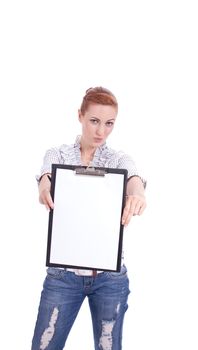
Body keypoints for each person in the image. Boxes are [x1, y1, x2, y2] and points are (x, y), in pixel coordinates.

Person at [31, 86, 146, 350]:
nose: (101, 131)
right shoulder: (58, 154)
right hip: (63, 276)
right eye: (94, 121)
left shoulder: (118, 159)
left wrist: (138, 193)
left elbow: (134, 178)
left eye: (109, 124)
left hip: (110, 278)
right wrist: (45, 187)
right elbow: (46, 177)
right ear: (80, 115)